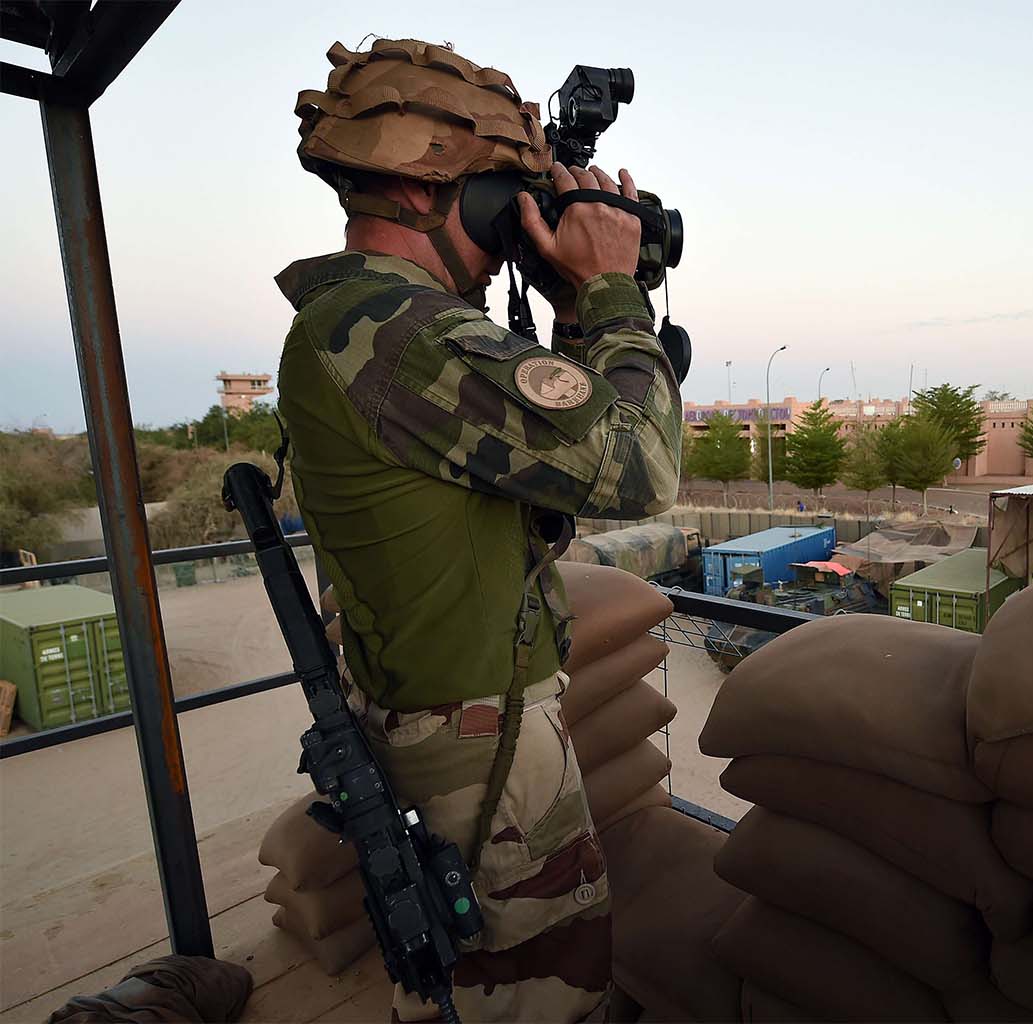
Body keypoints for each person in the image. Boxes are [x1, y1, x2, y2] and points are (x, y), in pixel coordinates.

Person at [275, 38, 682, 1022]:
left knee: (498, 988)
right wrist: (615, 289)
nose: (518, 231)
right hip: (481, 757)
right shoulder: (401, 331)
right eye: (507, 201)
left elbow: (548, 487)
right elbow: (643, 471)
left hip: (451, 724)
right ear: (430, 191)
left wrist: (579, 315)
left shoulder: (361, 325)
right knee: (545, 998)